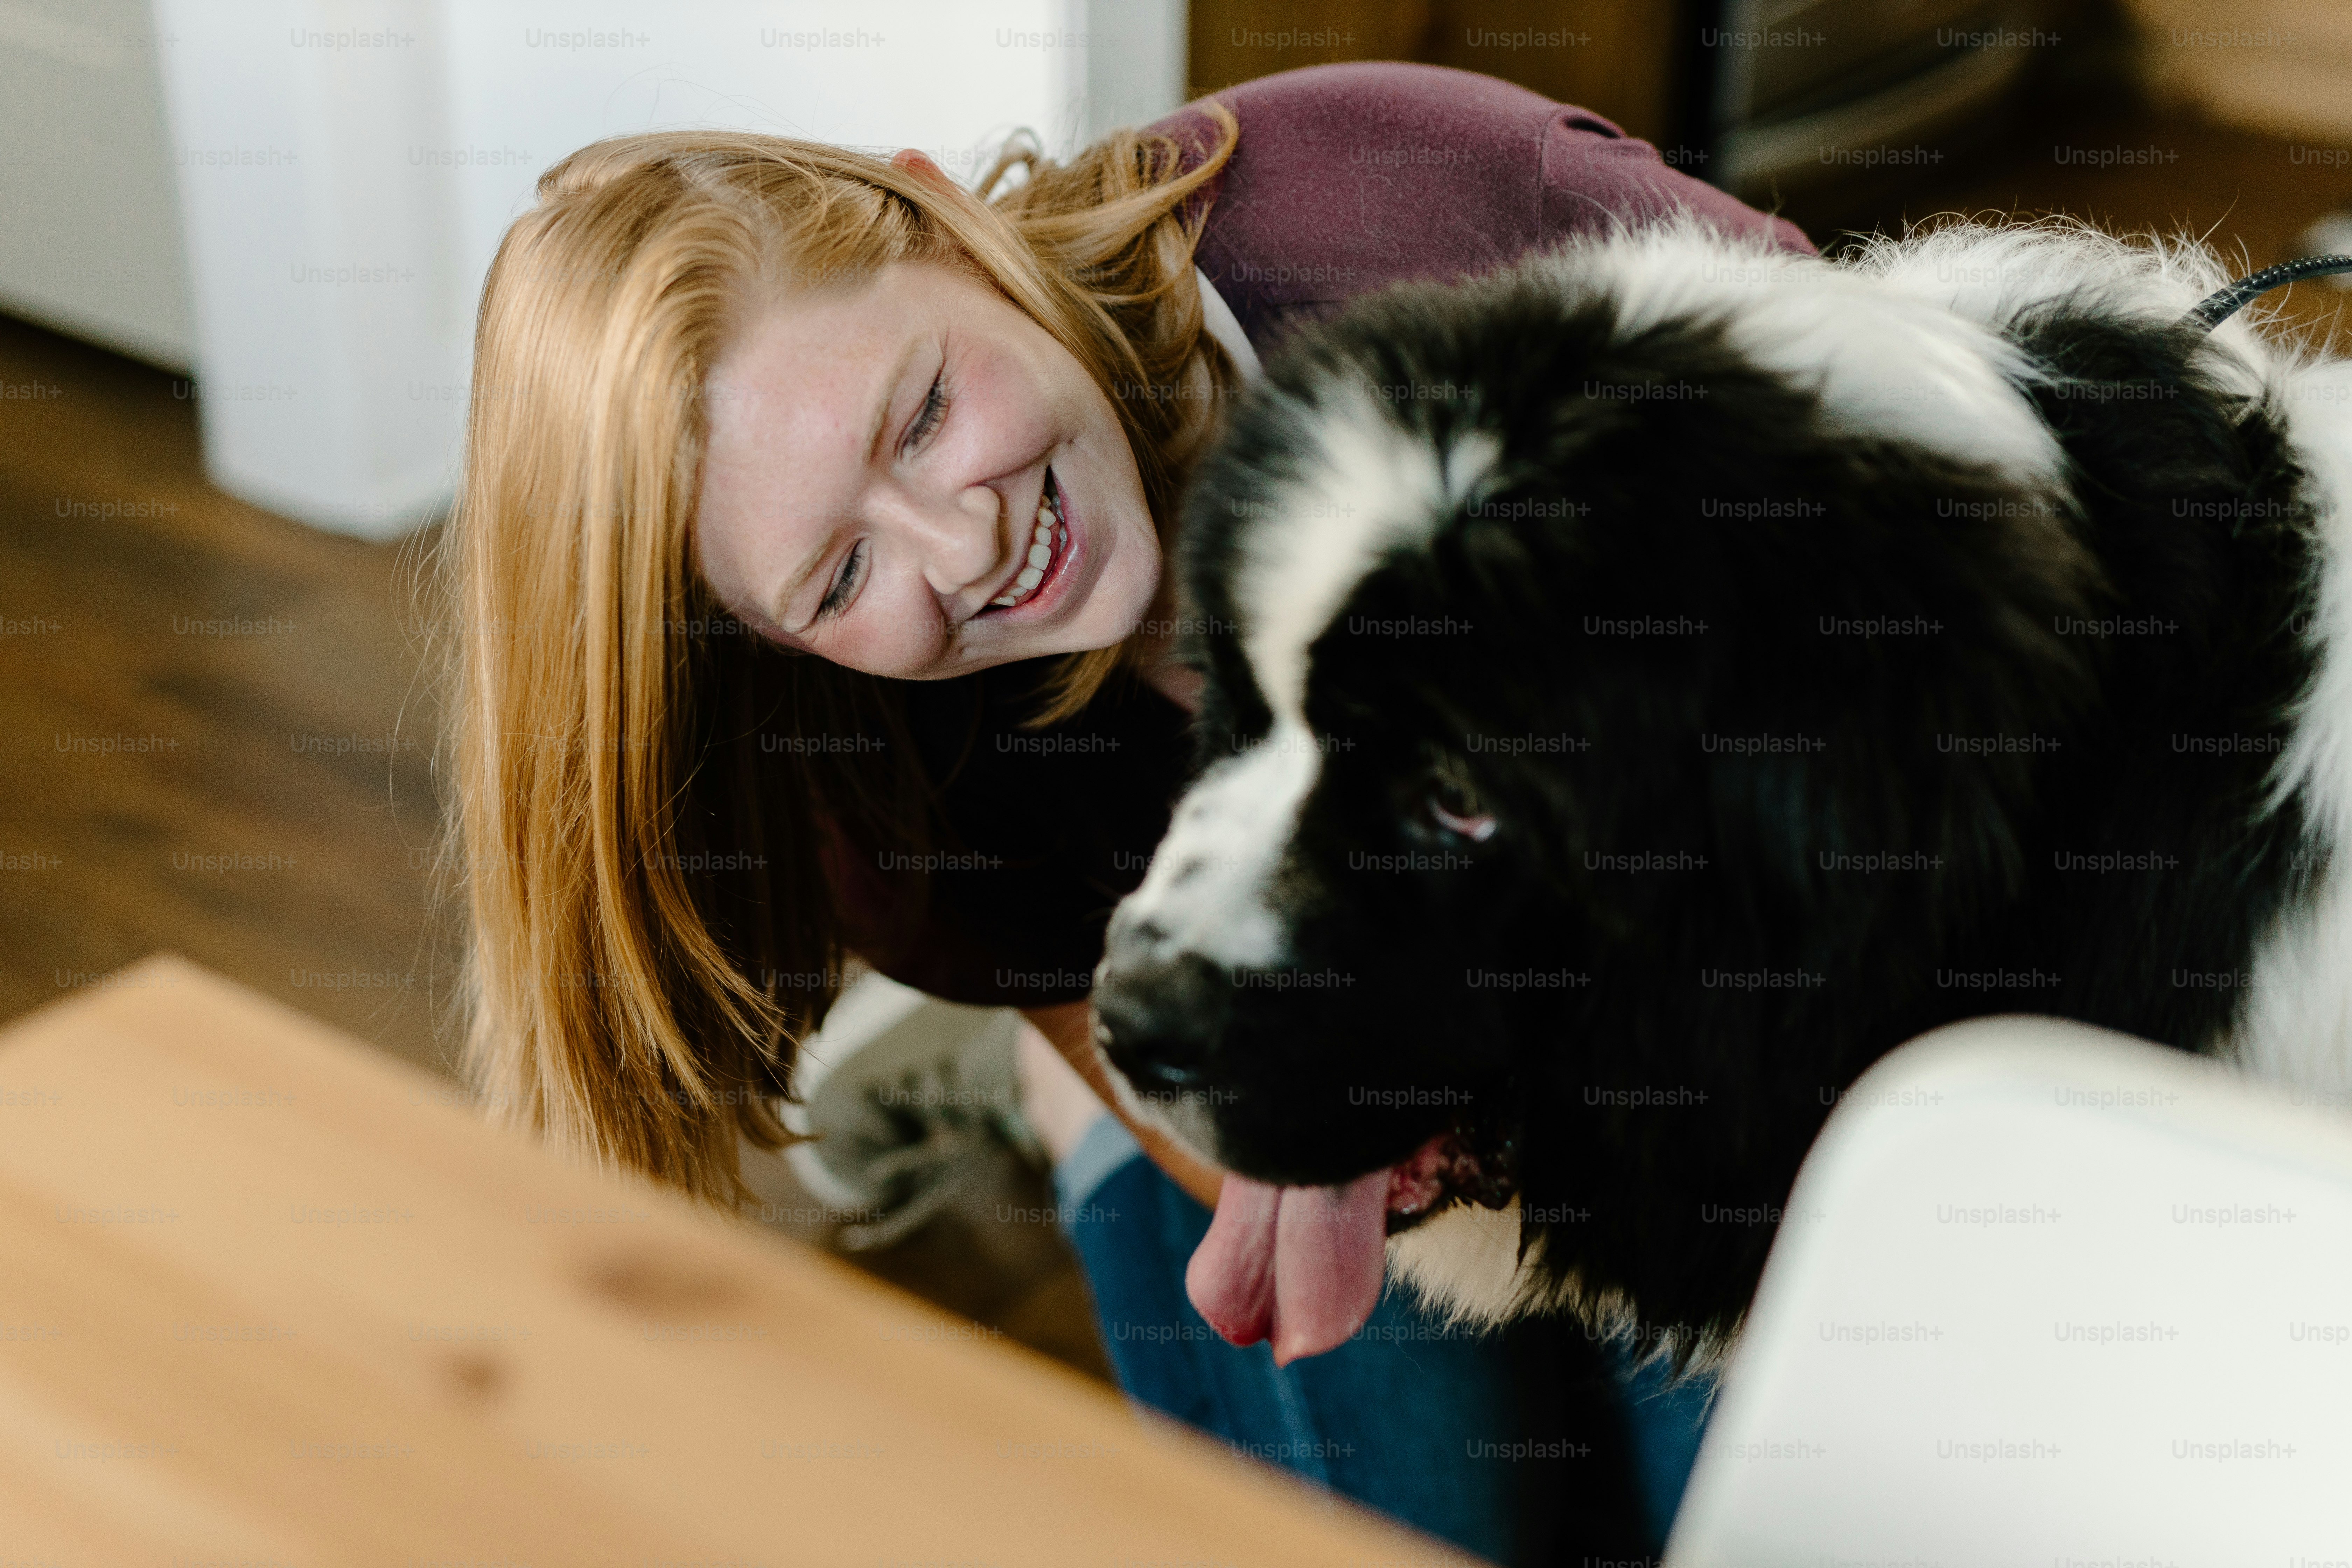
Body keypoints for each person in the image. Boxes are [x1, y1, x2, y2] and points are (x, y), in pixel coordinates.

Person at [433, 61, 1813, 1563]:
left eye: (925, 411)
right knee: (1433, 1512)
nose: (966, 544)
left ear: (948, 221)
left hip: (1719, 947)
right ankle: (1070, 1120)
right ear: (774, 648)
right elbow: (1210, 1127)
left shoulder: (1421, 201)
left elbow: (1929, 536)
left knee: (1779, 1504)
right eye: (837, 578)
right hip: (1308, 1004)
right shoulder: (877, 782)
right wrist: (1337, 1142)